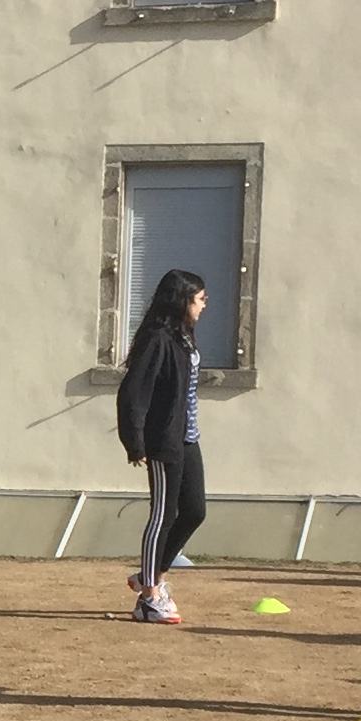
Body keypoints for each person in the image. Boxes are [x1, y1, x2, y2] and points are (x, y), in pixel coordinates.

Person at [116, 268, 208, 627]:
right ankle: (149, 598)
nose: (204, 306)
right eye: (199, 299)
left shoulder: (185, 336)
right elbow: (133, 392)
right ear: (182, 300)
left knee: (194, 511)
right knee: (163, 515)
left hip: (189, 438)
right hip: (163, 441)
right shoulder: (157, 339)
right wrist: (135, 441)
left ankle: (148, 573)